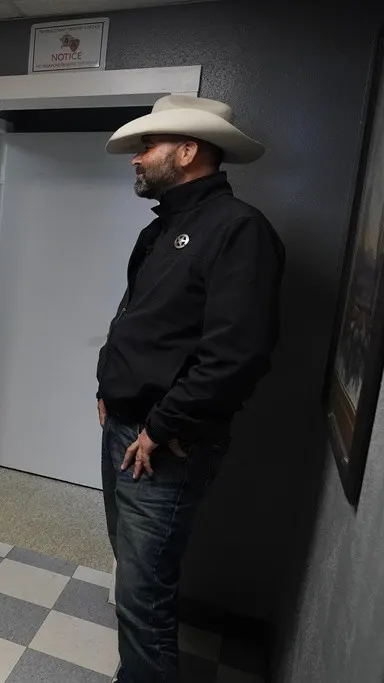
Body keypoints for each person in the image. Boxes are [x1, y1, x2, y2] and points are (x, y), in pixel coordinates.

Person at [96, 95, 285, 683]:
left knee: (143, 597)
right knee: (131, 575)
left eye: (145, 148)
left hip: (164, 444)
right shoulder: (160, 231)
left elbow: (236, 354)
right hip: (125, 429)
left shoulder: (238, 230)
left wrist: (163, 424)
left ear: (187, 151)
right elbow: (135, 319)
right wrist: (107, 384)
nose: (135, 159)